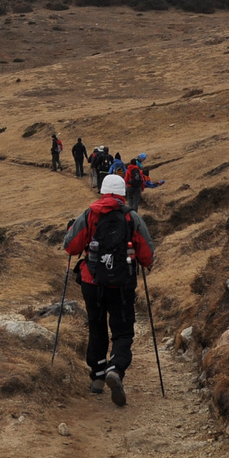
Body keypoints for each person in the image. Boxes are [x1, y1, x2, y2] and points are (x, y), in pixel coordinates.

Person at [63, 174, 154, 406]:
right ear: (123, 193)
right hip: (122, 284)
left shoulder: (89, 214)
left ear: (103, 191)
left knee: (96, 326)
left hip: (91, 282)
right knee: (123, 331)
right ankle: (116, 368)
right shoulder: (131, 217)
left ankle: (97, 377)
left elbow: (71, 247)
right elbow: (147, 255)